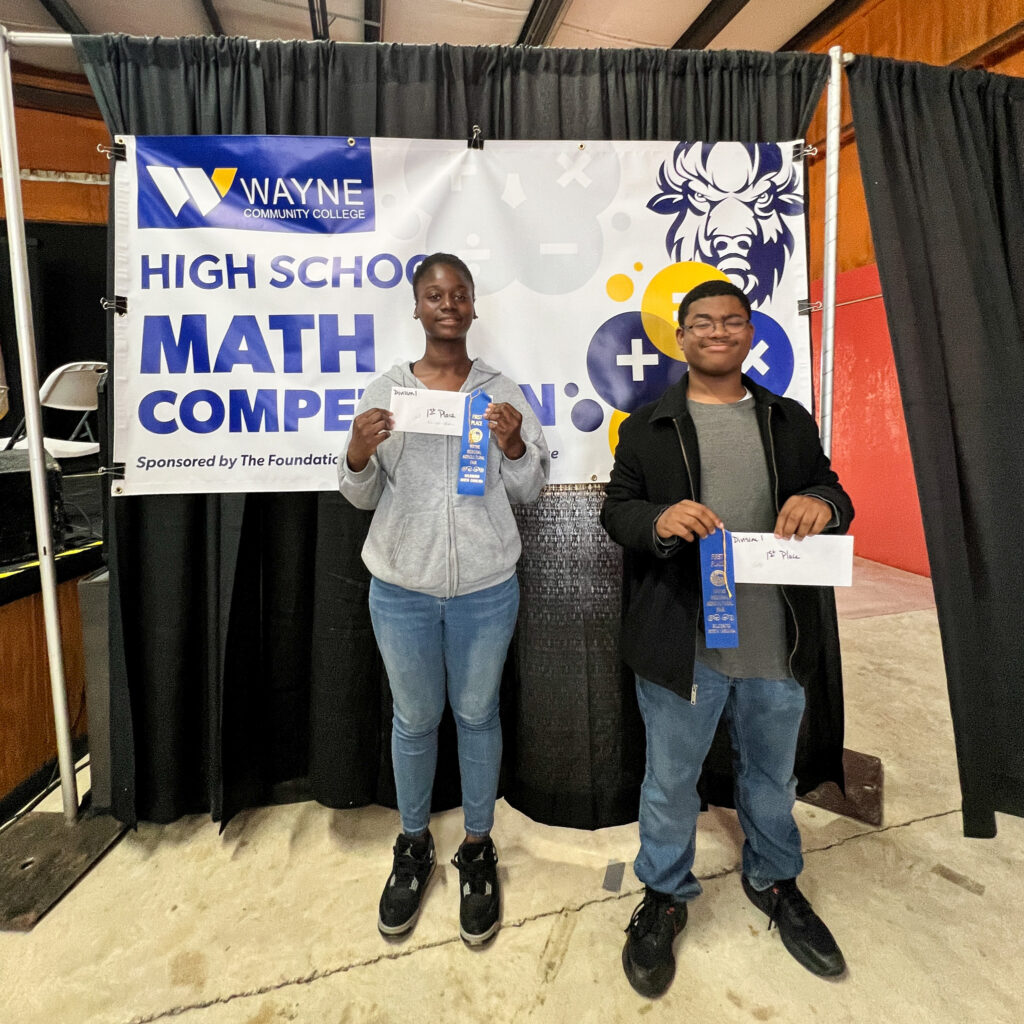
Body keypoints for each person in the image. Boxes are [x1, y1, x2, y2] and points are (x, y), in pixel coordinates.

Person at [600, 279, 854, 996]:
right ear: (681, 338)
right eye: (703, 323)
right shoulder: (647, 425)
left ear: (750, 334)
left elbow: (836, 489)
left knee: (772, 779)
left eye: (732, 321)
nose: (718, 332)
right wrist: (658, 521)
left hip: (777, 641)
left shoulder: (788, 419)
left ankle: (775, 882)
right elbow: (617, 513)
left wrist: (822, 502)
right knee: (672, 782)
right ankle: (664, 894)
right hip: (684, 645)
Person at [339, 252, 549, 946]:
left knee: (478, 715)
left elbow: (529, 491)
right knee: (414, 720)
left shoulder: (501, 393)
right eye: (435, 295)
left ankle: (479, 848)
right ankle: (412, 846)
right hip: (400, 588)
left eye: (459, 293)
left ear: (473, 305)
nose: (448, 304)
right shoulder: (388, 389)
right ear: (418, 308)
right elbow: (360, 496)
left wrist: (516, 446)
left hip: (486, 590)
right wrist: (358, 454)